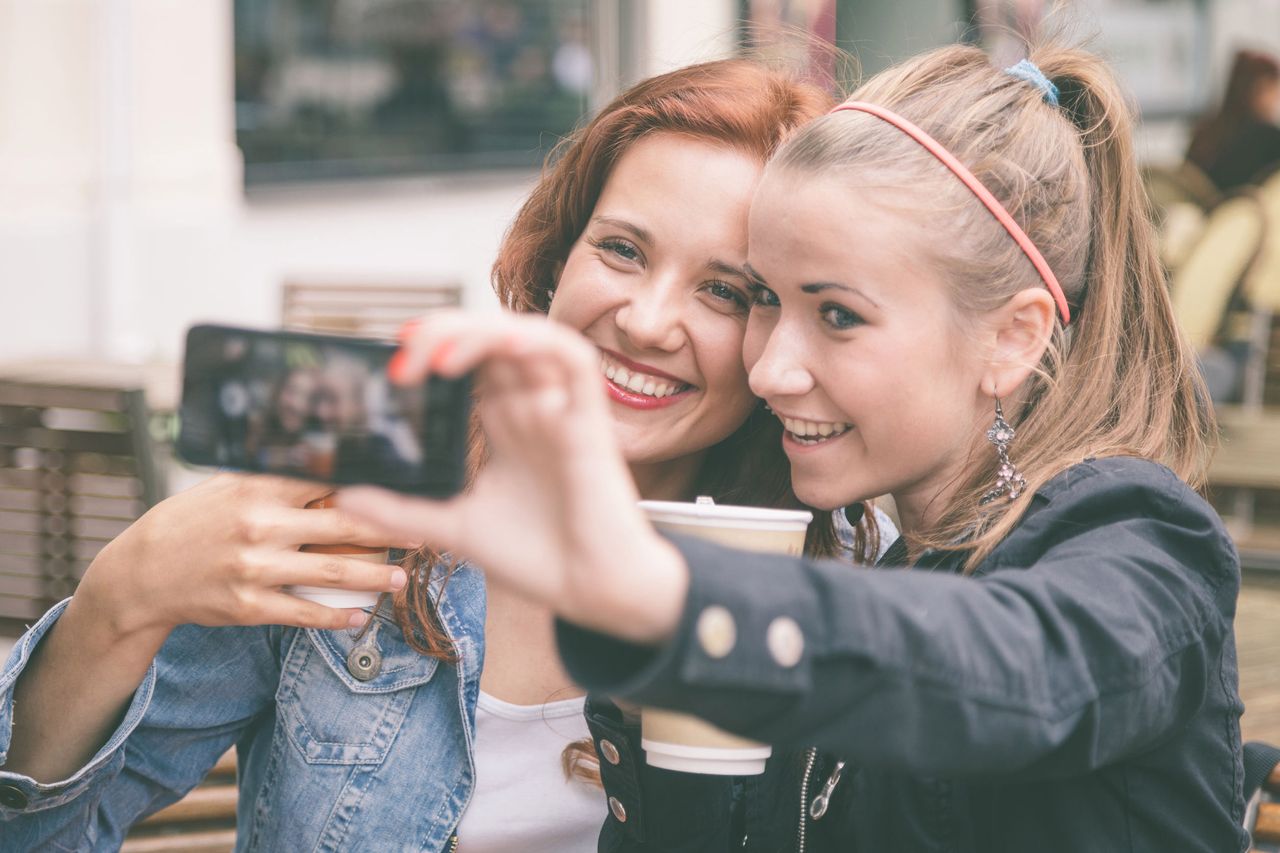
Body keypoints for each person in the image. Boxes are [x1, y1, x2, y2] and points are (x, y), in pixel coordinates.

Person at [339, 42, 1249, 852]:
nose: (769, 368)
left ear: (1012, 338)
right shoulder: (883, 569)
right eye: (765, 298)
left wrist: (667, 596)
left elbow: (1024, 672)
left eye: (838, 314)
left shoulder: (1139, 534)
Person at [0, 59, 868, 852]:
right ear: (561, 257)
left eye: (724, 289)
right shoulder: (362, 479)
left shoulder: (835, 565)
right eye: (622, 249)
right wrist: (125, 592)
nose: (645, 321)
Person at [1187, 48, 1280, 194]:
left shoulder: (1204, 132)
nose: (1276, 99)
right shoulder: (1268, 138)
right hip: (1243, 215)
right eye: (1274, 89)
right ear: (1260, 88)